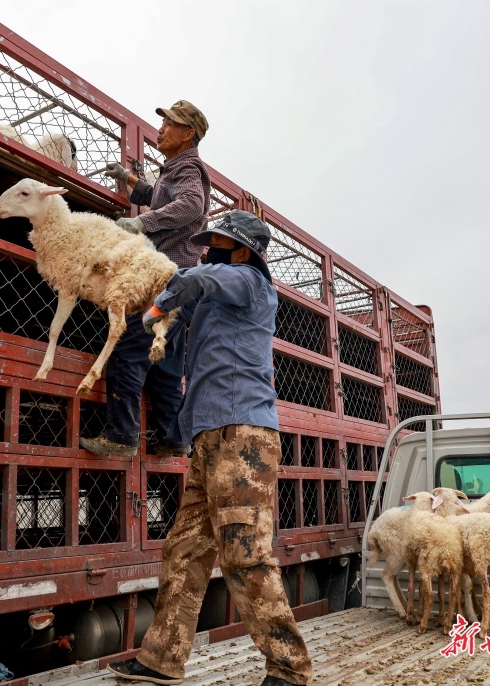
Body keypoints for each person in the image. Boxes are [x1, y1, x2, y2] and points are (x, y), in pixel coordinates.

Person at [107, 211, 314, 686]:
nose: (209, 249)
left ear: (242, 250)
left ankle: (290, 669)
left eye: (218, 242)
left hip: (243, 437)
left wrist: (160, 302)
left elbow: (196, 277)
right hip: (209, 439)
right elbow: (186, 312)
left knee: (245, 552)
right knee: (184, 551)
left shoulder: (250, 283)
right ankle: (162, 659)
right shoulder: (215, 303)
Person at [79, 100, 211, 458]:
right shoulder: (175, 169)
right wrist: (130, 180)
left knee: (129, 346)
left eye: (171, 124)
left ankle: (121, 437)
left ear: (188, 134)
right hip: (179, 280)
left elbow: (190, 206)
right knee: (166, 359)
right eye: (163, 122)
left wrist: (142, 223)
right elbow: (160, 197)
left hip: (161, 277)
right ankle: (174, 436)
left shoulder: (188, 168)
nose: (162, 129)